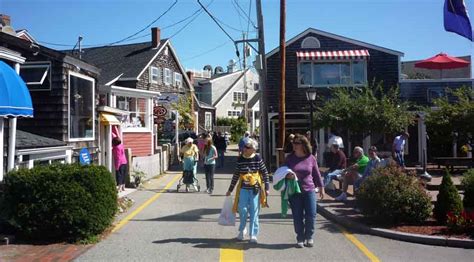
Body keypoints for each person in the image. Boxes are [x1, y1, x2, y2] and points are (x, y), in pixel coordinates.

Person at [284, 134, 324, 248]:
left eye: (296, 143)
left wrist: (321, 187)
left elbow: (316, 174)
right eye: (293, 143)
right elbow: (281, 172)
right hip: (294, 191)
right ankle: (300, 238)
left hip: (309, 190)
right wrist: (288, 175)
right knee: (297, 216)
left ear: (303, 144)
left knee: (311, 214)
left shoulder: (311, 158)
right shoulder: (289, 158)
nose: (294, 145)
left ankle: (309, 236)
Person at [226, 138, 269, 244]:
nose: (244, 149)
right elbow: (236, 175)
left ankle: (253, 234)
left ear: (253, 149)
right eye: (244, 147)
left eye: (247, 147)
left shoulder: (258, 158)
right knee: (242, 210)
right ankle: (242, 229)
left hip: (255, 189)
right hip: (243, 189)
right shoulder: (240, 159)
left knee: (254, 211)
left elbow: (264, 173)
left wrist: (267, 188)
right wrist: (230, 190)